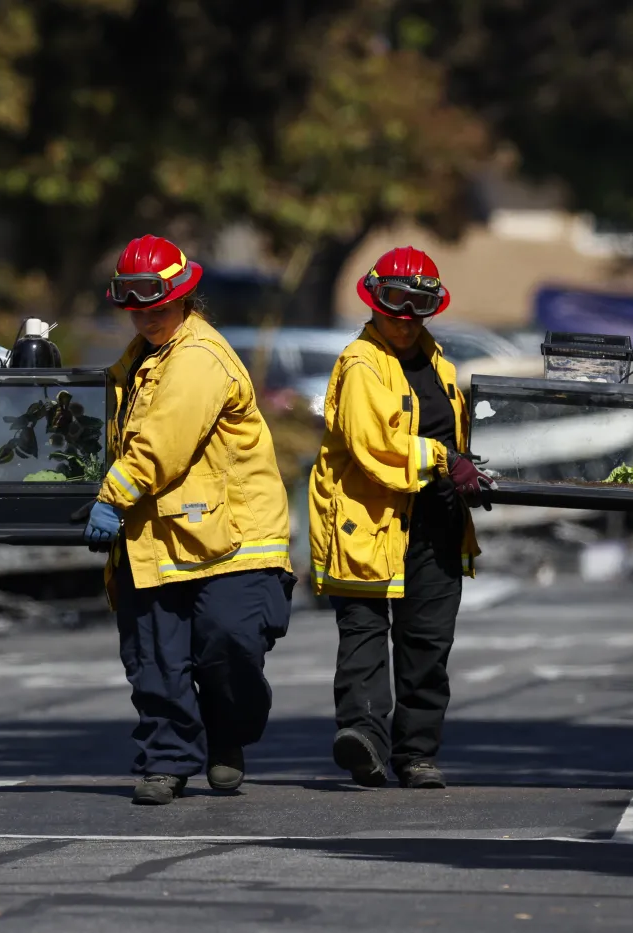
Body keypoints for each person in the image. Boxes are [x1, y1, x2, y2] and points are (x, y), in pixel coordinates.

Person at [84, 234, 295, 805]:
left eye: (156, 307)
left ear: (183, 297)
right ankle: (167, 761)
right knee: (156, 661)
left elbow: (163, 443)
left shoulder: (198, 358)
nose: (146, 318)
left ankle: (228, 734)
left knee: (227, 651)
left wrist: (112, 497)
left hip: (232, 541)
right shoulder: (139, 361)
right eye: (135, 309)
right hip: (156, 541)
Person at [308, 246, 488, 790]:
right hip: (368, 524)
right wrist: (442, 460)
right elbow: (375, 446)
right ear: (374, 300)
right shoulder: (360, 365)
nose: (405, 320)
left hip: (434, 525)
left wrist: (468, 474)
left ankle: (417, 754)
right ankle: (363, 736)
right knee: (363, 635)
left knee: (427, 645)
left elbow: (454, 438)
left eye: (418, 308)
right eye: (394, 306)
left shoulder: (441, 364)